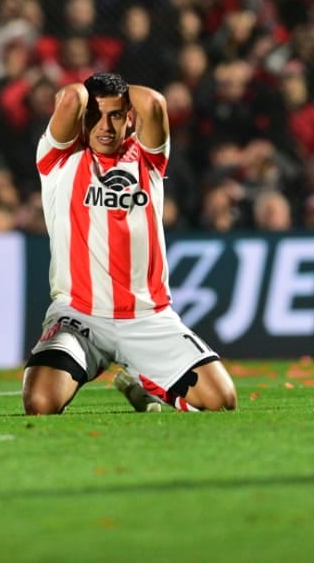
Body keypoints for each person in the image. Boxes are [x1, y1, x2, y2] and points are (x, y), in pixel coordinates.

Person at [22, 72, 238, 415]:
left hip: (146, 318)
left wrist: (119, 92)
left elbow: (154, 103)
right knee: (41, 403)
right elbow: (70, 98)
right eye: (95, 115)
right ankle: (140, 375)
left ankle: (142, 380)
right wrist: (98, 97)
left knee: (221, 402)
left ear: (129, 118)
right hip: (79, 317)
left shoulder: (149, 159)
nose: (105, 126)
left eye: (116, 115)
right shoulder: (58, 158)